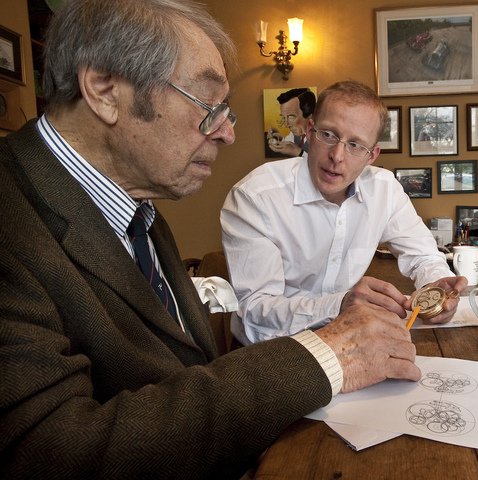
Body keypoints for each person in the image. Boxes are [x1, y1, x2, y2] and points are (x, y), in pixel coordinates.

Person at [0, 1, 420, 478]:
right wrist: (326, 355)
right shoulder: (12, 221)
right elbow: (50, 455)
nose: (227, 132)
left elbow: (180, 371)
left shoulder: (141, 213)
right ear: (103, 90)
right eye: (207, 105)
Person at [222, 80, 467, 345]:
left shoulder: (384, 189)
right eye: (328, 135)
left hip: (347, 336)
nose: (337, 156)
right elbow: (255, 313)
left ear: (372, 155)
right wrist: (340, 304)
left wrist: (437, 284)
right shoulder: (255, 197)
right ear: (309, 131)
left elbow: (424, 258)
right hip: (271, 348)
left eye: (355, 145)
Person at [267, 87, 315, 157]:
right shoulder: (295, 133)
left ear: (309, 115)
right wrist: (276, 138)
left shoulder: (321, 137)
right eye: (284, 117)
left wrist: (298, 152)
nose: (286, 125)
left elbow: (322, 164)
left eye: (291, 117)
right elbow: (287, 143)